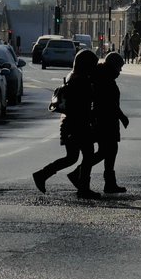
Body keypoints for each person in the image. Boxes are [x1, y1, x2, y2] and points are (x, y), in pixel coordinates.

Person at [33, 49, 100, 198]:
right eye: (92, 65)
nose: (94, 68)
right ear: (86, 65)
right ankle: (83, 188)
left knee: (72, 157)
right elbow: (83, 105)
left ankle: (42, 174)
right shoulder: (81, 81)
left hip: (69, 123)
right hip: (77, 124)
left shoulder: (73, 76)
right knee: (87, 155)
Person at [72, 50, 129, 195]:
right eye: (119, 68)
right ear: (113, 66)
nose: (120, 71)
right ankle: (82, 174)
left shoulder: (103, 75)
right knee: (107, 150)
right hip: (105, 120)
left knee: (109, 150)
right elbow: (109, 102)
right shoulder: (105, 78)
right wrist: (122, 116)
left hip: (105, 119)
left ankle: (108, 182)